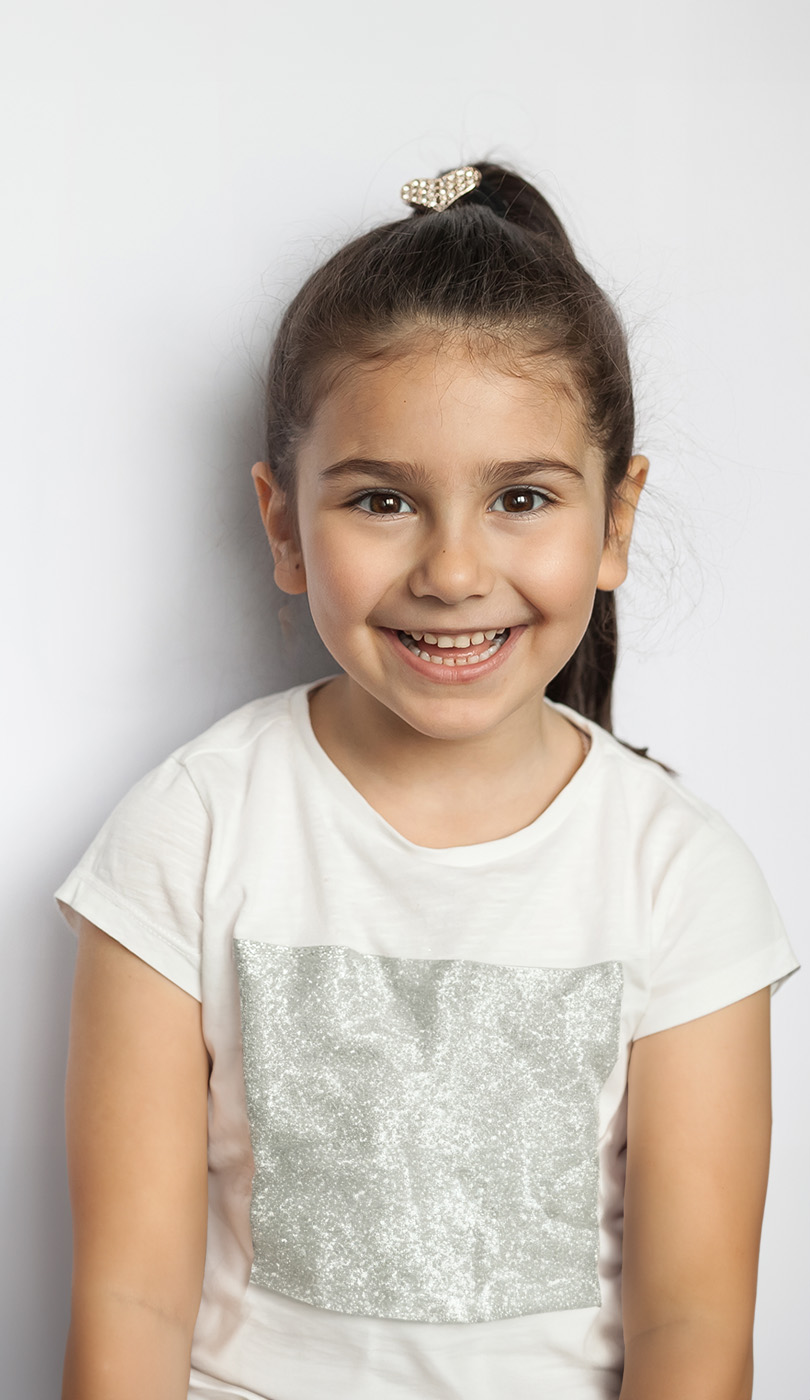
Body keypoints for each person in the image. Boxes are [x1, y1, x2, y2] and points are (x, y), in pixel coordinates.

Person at [56, 161, 799, 1400]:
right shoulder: (189, 829)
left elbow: (692, 1330)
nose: (454, 571)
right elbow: (128, 1299)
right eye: (383, 499)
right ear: (285, 524)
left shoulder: (679, 875)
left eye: (520, 497)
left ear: (615, 520)